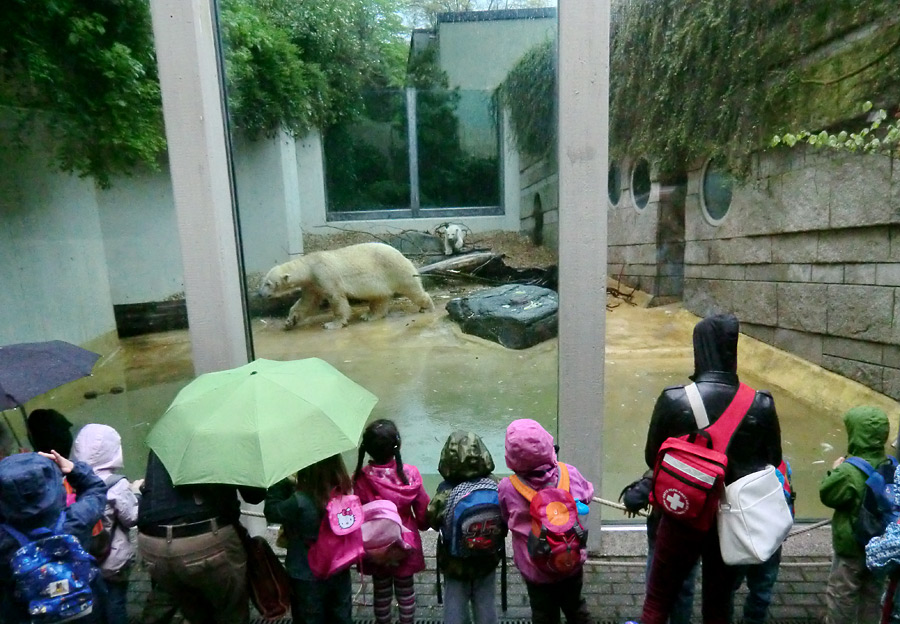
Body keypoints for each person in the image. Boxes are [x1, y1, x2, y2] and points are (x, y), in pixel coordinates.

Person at [640, 313, 782, 624]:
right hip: (732, 519)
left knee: (662, 597)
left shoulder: (673, 399)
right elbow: (772, 461)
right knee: (719, 601)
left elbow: (654, 459)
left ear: (699, 348)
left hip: (681, 514)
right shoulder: (762, 404)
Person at [137, 450, 265, 624]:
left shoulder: (166, 435)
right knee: (231, 611)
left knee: (196, 612)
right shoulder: (226, 438)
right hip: (205, 539)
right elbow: (254, 495)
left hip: (151, 543)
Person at [498, 418, 594, 624]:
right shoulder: (570, 472)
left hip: (535, 569)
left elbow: (506, 518)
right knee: (576, 606)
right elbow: (587, 495)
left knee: (543, 614)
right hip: (570, 560)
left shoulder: (508, 487)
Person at [0, 450, 108, 624]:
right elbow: (95, 489)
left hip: (28, 615)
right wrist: (72, 469)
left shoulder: (4, 541)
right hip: (85, 611)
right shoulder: (77, 519)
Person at [353, 419, 430, 624]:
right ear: (398, 445)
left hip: (376, 547)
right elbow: (423, 513)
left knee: (381, 592)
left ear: (367, 449)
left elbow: (356, 516)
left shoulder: (361, 478)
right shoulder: (410, 474)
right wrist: (421, 523)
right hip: (405, 543)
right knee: (406, 592)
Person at [820, 405, 891, 624]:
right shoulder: (890, 466)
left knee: (843, 593)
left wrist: (834, 470)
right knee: (872, 593)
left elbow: (828, 495)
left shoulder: (848, 471)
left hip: (851, 546)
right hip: (880, 545)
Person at [264, 454, 354, 624]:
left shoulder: (299, 501)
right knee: (341, 614)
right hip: (339, 567)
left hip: (305, 572)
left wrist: (279, 480)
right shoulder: (342, 493)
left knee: (309, 617)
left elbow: (272, 511)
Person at [427, 430, 505, 624]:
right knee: (486, 604)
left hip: (455, 563)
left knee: (455, 606)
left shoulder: (446, 491)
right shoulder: (497, 484)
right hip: (488, 557)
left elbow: (432, 520)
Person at [71, 423, 143, 624]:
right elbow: (131, 518)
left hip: (83, 558)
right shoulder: (116, 483)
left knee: (93, 602)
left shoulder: (70, 479)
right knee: (116, 601)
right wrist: (136, 492)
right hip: (113, 559)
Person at [620, 469, 696, 624]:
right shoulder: (708, 469)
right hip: (692, 540)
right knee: (685, 591)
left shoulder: (665, 468)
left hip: (662, 540)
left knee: (656, 594)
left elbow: (633, 499)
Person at [729, 459, 795, 624]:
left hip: (738, 540)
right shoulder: (782, 466)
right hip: (770, 541)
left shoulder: (732, 464)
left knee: (726, 587)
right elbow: (788, 503)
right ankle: (754, 619)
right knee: (762, 589)